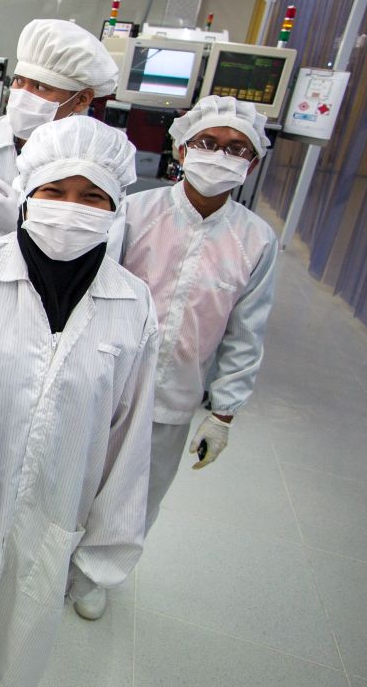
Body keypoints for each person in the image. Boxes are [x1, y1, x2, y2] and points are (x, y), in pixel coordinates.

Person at [0, 117, 157, 686]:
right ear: (27, 193)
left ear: (116, 204)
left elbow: (129, 438)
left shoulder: (133, 304)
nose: (71, 207)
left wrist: (101, 552)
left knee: (11, 654)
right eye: (54, 191)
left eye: (91, 195)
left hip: (50, 522)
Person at [121, 95, 279, 534]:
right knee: (85, 482)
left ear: (249, 165)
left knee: (143, 494)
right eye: (207, 141)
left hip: (175, 398)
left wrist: (223, 414)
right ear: (182, 149)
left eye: (236, 148)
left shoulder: (256, 241)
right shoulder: (134, 214)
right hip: (110, 383)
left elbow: (246, 333)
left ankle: (100, 573)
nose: (220, 155)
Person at [0, 19, 120, 250]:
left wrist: (21, 224)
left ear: (81, 99)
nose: (23, 94)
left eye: (40, 87)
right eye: (19, 81)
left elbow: (102, 250)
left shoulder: (101, 162)